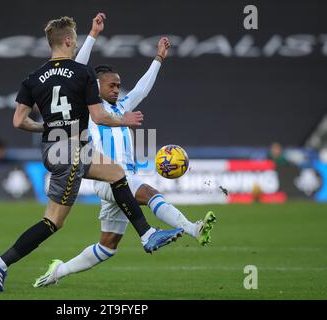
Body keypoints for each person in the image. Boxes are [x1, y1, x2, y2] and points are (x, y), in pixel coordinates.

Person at [0, 13, 183, 292]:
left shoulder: (33, 77)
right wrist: (123, 119)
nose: (76, 45)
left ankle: (147, 234)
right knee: (53, 221)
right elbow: (100, 116)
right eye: (75, 40)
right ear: (67, 40)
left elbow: (18, 121)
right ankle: (1, 263)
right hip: (72, 152)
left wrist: (45, 128)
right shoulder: (83, 74)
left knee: (116, 173)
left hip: (57, 149)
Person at [33, 16, 217, 287]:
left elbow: (142, 88)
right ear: (96, 87)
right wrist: (93, 34)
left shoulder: (123, 106)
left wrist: (158, 59)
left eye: (119, 85)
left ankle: (57, 272)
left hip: (122, 180)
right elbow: (77, 67)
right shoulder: (87, 106)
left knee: (107, 247)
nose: (117, 90)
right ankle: (193, 228)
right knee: (149, 192)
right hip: (106, 179)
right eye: (112, 86)